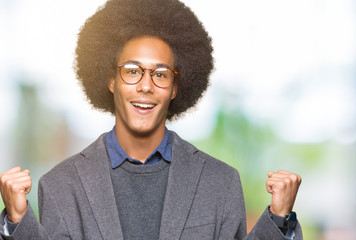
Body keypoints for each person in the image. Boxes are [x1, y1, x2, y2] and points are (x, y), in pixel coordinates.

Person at [0, 0, 302, 239]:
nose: (146, 85)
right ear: (110, 80)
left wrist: (278, 218)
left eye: (160, 74)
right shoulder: (61, 185)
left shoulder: (219, 183)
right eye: (132, 71)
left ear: (174, 88)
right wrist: (16, 220)